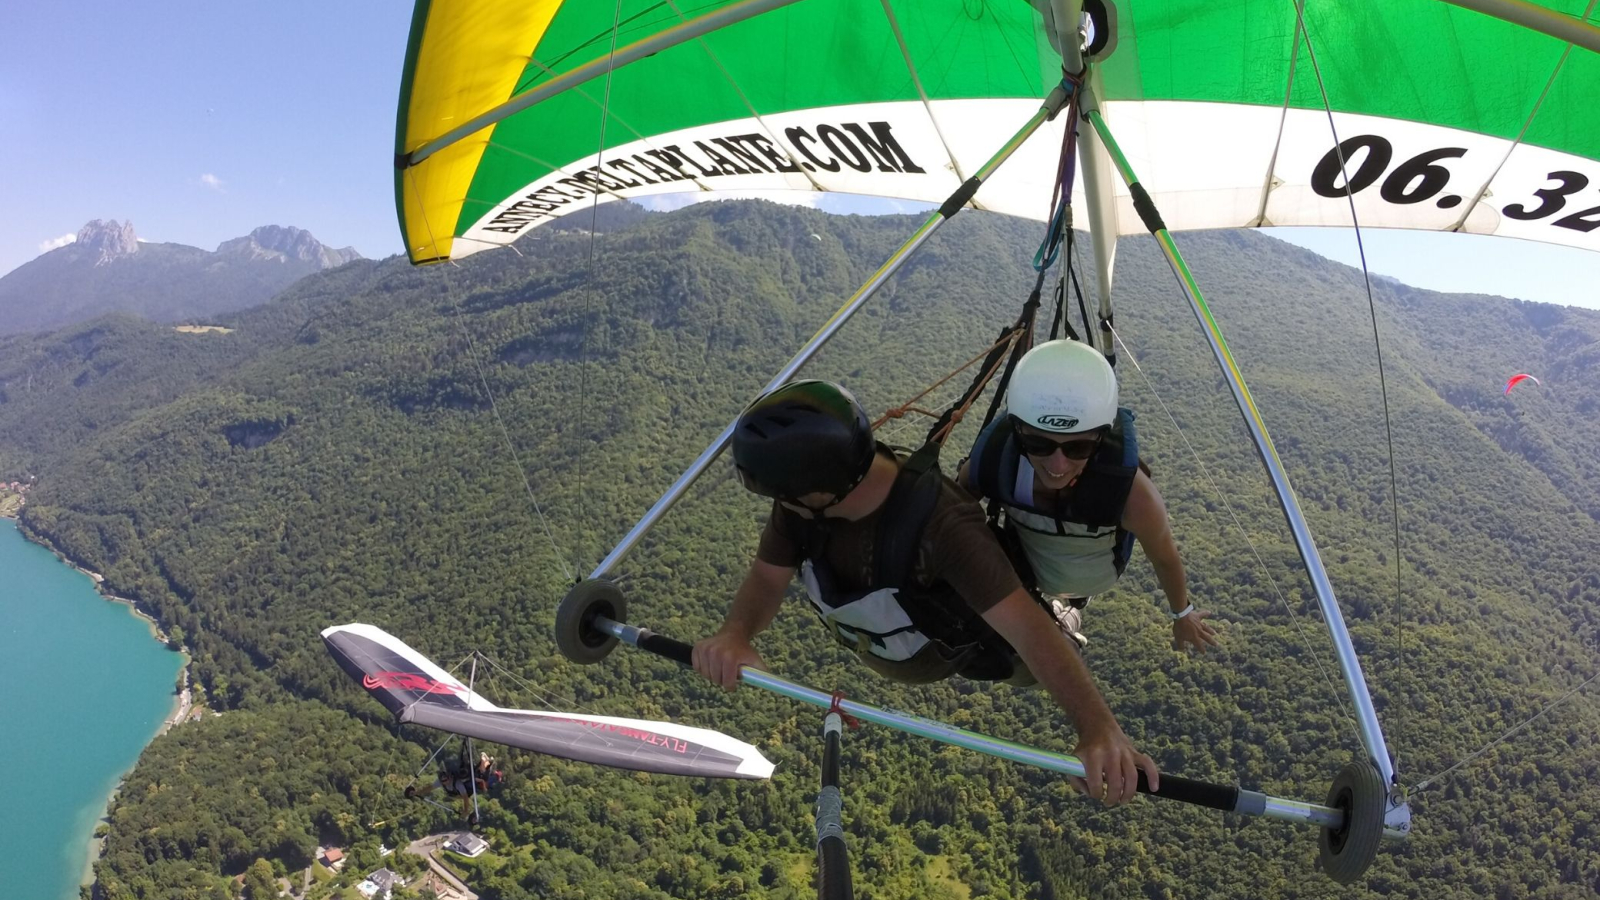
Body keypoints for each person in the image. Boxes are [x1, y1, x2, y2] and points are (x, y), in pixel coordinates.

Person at [692, 379, 1159, 805]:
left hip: (977, 649)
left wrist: (1097, 728)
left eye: (785, 497)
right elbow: (767, 575)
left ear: (817, 492)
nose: (782, 506)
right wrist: (736, 634)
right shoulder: (801, 505)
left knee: (1031, 652)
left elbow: (1029, 632)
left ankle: (1067, 606)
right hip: (901, 645)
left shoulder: (944, 528)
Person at [958, 340, 1218, 654]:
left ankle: (1069, 611)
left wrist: (1182, 614)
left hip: (1093, 576)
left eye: (1077, 448)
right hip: (1026, 566)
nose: (1057, 466)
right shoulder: (993, 465)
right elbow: (951, 519)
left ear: (1100, 438)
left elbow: (1164, 556)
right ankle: (1062, 614)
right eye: (1038, 444)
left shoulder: (1133, 497)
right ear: (1017, 433)